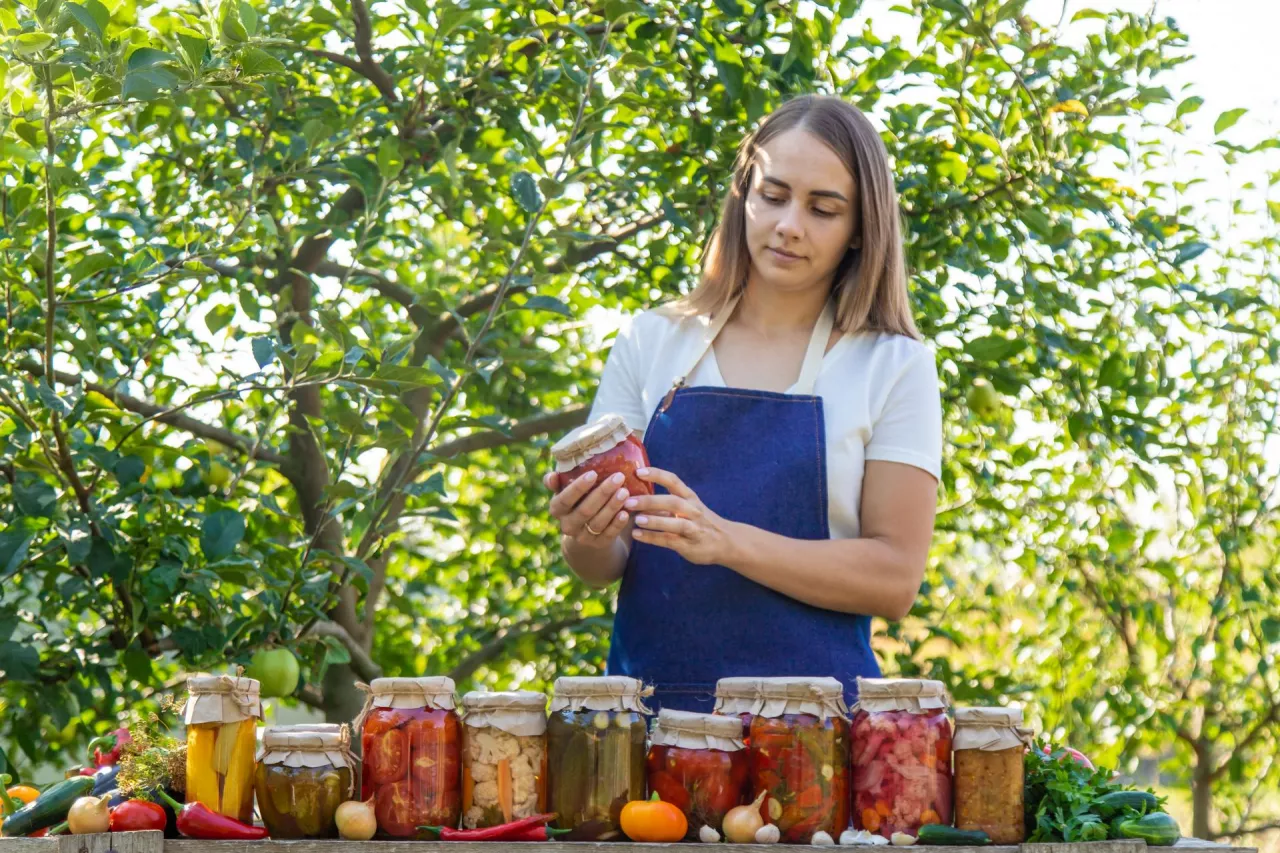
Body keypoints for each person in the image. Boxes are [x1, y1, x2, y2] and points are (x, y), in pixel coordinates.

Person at [542, 94, 942, 713]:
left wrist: (727, 542)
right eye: (773, 196)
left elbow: (894, 579)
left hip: (814, 735)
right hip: (651, 726)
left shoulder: (893, 365)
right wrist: (584, 531)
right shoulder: (653, 340)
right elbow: (604, 563)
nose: (789, 225)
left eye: (823, 209)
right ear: (743, 196)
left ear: (862, 228)